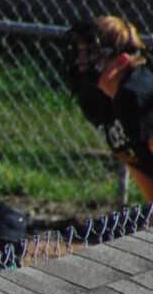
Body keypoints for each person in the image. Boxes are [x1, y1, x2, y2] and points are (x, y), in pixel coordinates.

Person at [64, 15, 153, 201]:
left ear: (121, 58)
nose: (81, 61)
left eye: (91, 53)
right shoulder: (101, 102)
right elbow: (137, 163)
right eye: (79, 53)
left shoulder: (136, 94)